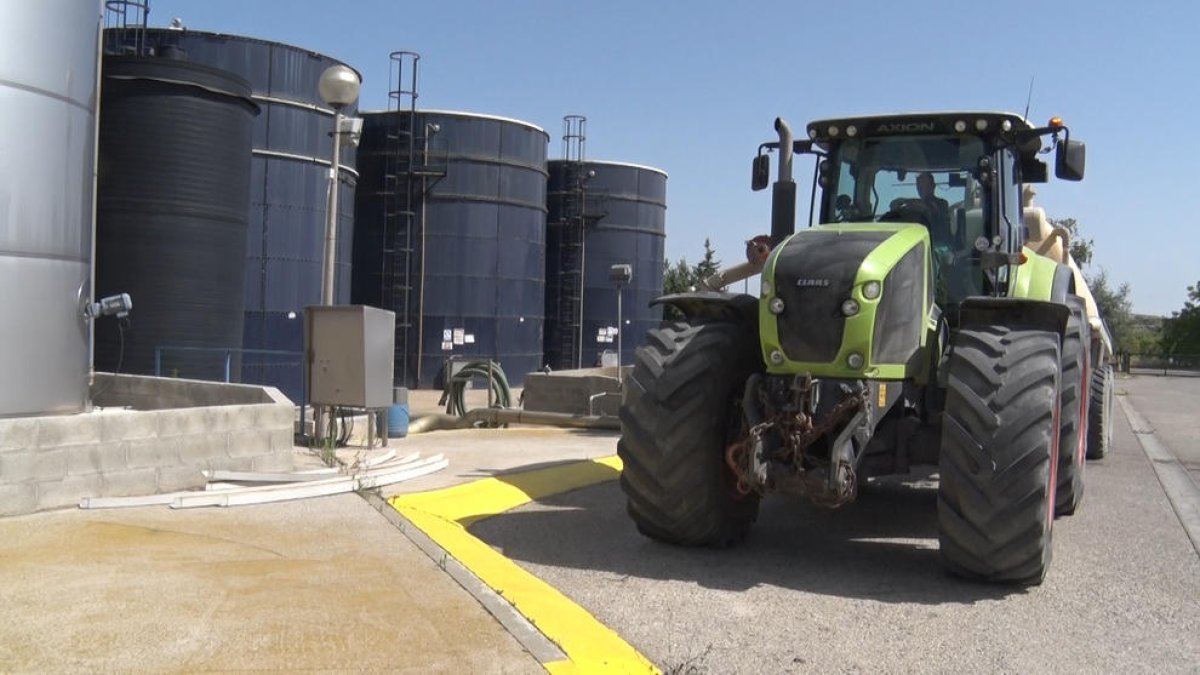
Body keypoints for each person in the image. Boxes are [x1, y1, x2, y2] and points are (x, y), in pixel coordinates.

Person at [916, 172, 950, 237]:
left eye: (926, 187)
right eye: (920, 187)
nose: (923, 190)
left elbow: (943, 227)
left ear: (933, 186)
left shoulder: (942, 204)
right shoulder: (915, 206)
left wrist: (930, 208)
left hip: (938, 243)